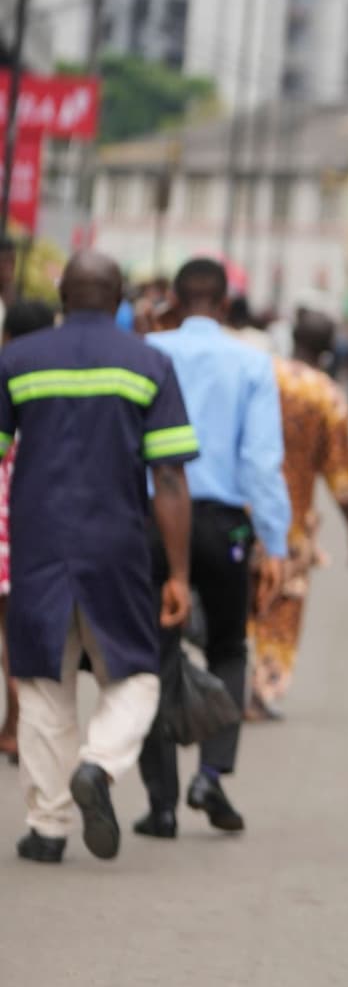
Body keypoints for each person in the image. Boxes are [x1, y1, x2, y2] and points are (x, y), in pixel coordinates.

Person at [0, 253, 197, 864]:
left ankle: (47, 829)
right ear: (118, 298)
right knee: (134, 674)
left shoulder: (17, 360)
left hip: (37, 544)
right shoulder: (149, 363)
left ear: (62, 294)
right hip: (117, 546)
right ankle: (100, 763)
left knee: (42, 681)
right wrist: (179, 574)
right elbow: (169, 478)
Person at [136, 258, 291, 838]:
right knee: (228, 647)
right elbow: (261, 461)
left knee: (154, 656)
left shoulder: (150, 354)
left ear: (174, 301)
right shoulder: (251, 362)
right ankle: (210, 775)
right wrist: (274, 544)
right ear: (226, 305)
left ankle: (161, 805)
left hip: (156, 518)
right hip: (223, 524)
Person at [250, 311, 348, 718]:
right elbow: (341, 477)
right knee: (282, 610)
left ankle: (229, 680)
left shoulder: (261, 375)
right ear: (329, 351)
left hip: (244, 509)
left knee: (242, 601)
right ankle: (261, 691)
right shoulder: (327, 397)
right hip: (292, 524)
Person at [0, 299, 56, 766]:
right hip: (25, 526)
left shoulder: (5, 371)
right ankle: (16, 728)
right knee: (13, 635)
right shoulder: (54, 381)